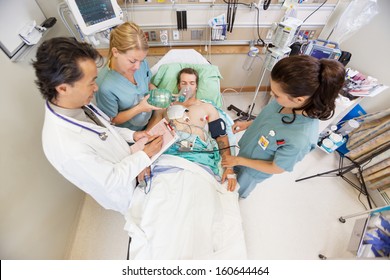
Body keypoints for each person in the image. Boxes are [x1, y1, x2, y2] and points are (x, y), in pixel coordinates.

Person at [32, 37, 163, 215]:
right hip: (124, 190)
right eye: (91, 82)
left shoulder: (77, 103)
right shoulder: (66, 147)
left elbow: (106, 129)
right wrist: (144, 155)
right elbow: (112, 179)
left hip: (129, 161)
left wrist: (132, 136)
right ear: (63, 88)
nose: (96, 88)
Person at [222, 55, 346, 198]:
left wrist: (239, 161)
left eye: (276, 94)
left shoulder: (300, 139)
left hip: (252, 172)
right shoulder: (282, 102)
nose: (271, 95)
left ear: (299, 99)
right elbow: (269, 118)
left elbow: (277, 168)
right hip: (246, 151)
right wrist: (248, 124)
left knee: (235, 192)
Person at [149, 68, 237, 191]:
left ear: (196, 86)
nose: (188, 87)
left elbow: (221, 137)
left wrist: (229, 168)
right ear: (179, 85)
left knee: (196, 190)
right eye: (184, 83)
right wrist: (144, 161)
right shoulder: (166, 107)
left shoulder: (207, 108)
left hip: (197, 155)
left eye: (192, 83)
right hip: (171, 153)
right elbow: (150, 133)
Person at [95, 22, 159, 131]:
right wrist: (140, 108)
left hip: (150, 123)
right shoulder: (105, 86)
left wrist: (158, 93)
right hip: (132, 135)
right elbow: (112, 119)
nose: (138, 66)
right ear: (115, 52)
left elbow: (147, 84)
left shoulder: (140, 64)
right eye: (132, 61)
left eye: (141, 60)